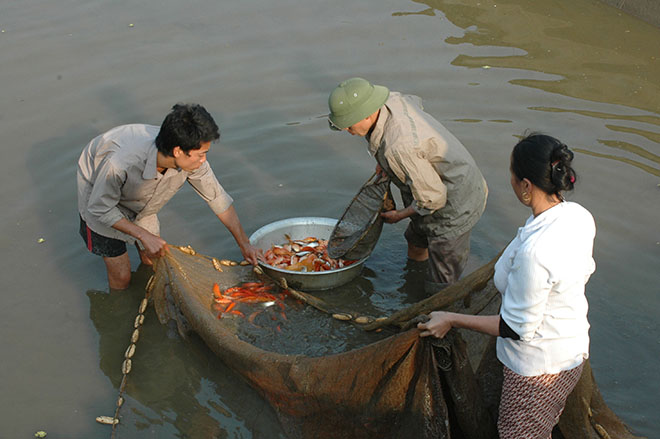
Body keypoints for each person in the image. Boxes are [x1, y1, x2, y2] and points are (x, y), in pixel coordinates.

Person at [417, 134, 596, 438]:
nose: (510, 181)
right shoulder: (577, 216)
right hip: (571, 353)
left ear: (526, 186)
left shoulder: (535, 252)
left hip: (536, 371)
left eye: (512, 175)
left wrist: (451, 318)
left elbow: (516, 328)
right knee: (542, 425)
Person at [327, 77, 488, 291]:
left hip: (454, 202)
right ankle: (414, 280)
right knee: (415, 239)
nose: (347, 129)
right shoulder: (392, 100)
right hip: (429, 187)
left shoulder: (398, 147)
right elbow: (416, 102)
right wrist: (386, 163)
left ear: (367, 114)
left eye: (349, 123)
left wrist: (400, 214)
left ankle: (440, 311)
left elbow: (434, 198)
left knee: (442, 278)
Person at [77, 103, 260, 290]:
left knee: (152, 258)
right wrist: (143, 234)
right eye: (201, 154)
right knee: (121, 276)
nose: (204, 160)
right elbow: (100, 208)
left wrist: (244, 244)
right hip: (98, 191)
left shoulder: (193, 161)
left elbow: (217, 198)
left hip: (141, 196)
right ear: (178, 151)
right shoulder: (120, 164)